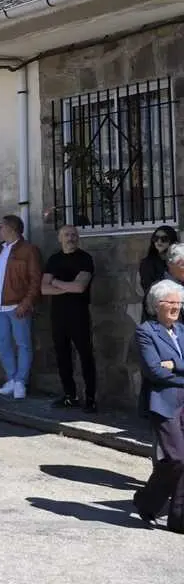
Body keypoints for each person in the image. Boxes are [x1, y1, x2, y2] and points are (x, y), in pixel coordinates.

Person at [132, 279, 184, 533]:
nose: (176, 307)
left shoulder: (182, 331)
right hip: (164, 403)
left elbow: (167, 369)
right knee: (177, 458)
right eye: (170, 302)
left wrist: (174, 365)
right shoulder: (146, 332)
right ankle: (146, 501)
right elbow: (154, 371)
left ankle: (179, 518)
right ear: (156, 304)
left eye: (179, 303)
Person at [41, 225, 97, 412]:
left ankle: (90, 398)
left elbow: (79, 287)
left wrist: (56, 282)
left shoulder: (84, 258)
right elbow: (43, 288)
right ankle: (69, 395)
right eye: (66, 235)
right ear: (60, 238)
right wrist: (67, 287)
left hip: (78, 314)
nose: (70, 238)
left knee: (85, 355)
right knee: (62, 356)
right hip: (58, 315)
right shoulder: (54, 259)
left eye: (73, 235)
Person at [0, 214, 42, 400]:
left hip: (18, 306)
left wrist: (26, 303)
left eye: (2, 227)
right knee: (1, 344)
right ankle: (11, 378)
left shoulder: (29, 251)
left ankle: (20, 381)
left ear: (12, 229)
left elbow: (35, 280)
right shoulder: (0, 249)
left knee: (23, 344)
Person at [139, 226, 179, 318]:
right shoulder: (147, 263)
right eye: (156, 238)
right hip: (157, 311)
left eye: (164, 239)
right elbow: (149, 288)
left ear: (171, 241)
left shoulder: (177, 261)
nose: (159, 242)